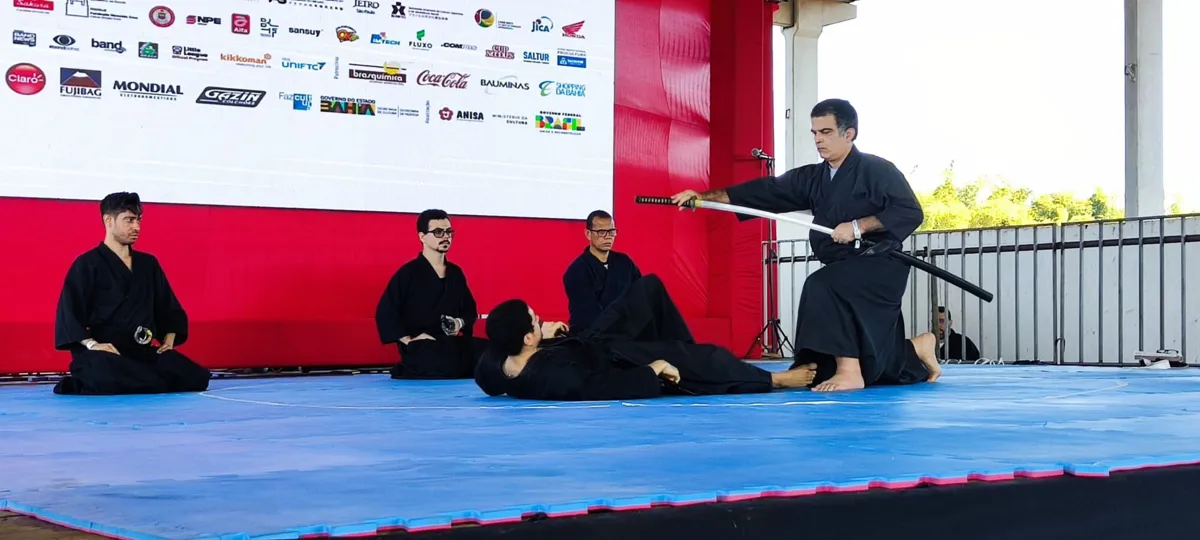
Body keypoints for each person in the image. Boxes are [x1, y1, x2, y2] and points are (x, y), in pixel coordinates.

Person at [670, 98, 939, 392]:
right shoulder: (813, 178)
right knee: (827, 365)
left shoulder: (878, 170)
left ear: (849, 134)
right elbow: (766, 191)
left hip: (880, 264)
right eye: (814, 133)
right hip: (843, 266)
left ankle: (850, 371)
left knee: (823, 284)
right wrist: (705, 198)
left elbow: (910, 212)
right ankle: (914, 348)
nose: (818, 140)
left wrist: (857, 226)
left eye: (825, 132)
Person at [474, 275, 816, 401]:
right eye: (536, 321)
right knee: (710, 357)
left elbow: (490, 369)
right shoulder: (553, 377)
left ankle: (689, 357)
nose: (542, 319)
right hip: (616, 359)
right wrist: (653, 368)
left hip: (592, 339)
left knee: (647, 289)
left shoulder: (499, 363)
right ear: (526, 338)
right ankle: (775, 378)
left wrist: (546, 335)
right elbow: (603, 388)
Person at [52, 192, 212, 395]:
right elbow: (70, 312)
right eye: (129, 220)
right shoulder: (86, 264)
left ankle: (140, 379)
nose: (136, 227)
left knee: (195, 377)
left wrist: (169, 340)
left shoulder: (148, 264)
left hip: (141, 352)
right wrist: (92, 344)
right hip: (106, 353)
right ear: (108, 221)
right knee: (104, 371)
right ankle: (85, 381)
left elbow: (168, 307)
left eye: (138, 220)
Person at [375, 209, 487, 379]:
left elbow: (469, 311)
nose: (446, 237)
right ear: (422, 237)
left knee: (488, 352)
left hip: (450, 343)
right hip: (421, 346)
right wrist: (408, 340)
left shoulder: (455, 273)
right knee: (434, 358)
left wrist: (458, 323)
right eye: (438, 232)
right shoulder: (408, 273)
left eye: (449, 232)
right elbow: (386, 311)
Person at [562, 209, 642, 331]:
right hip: (593, 336)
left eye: (611, 231)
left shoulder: (625, 262)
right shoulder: (577, 271)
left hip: (628, 332)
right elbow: (586, 317)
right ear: (588, 234)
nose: (607, 237)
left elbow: (639, 296)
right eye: (601, 232)